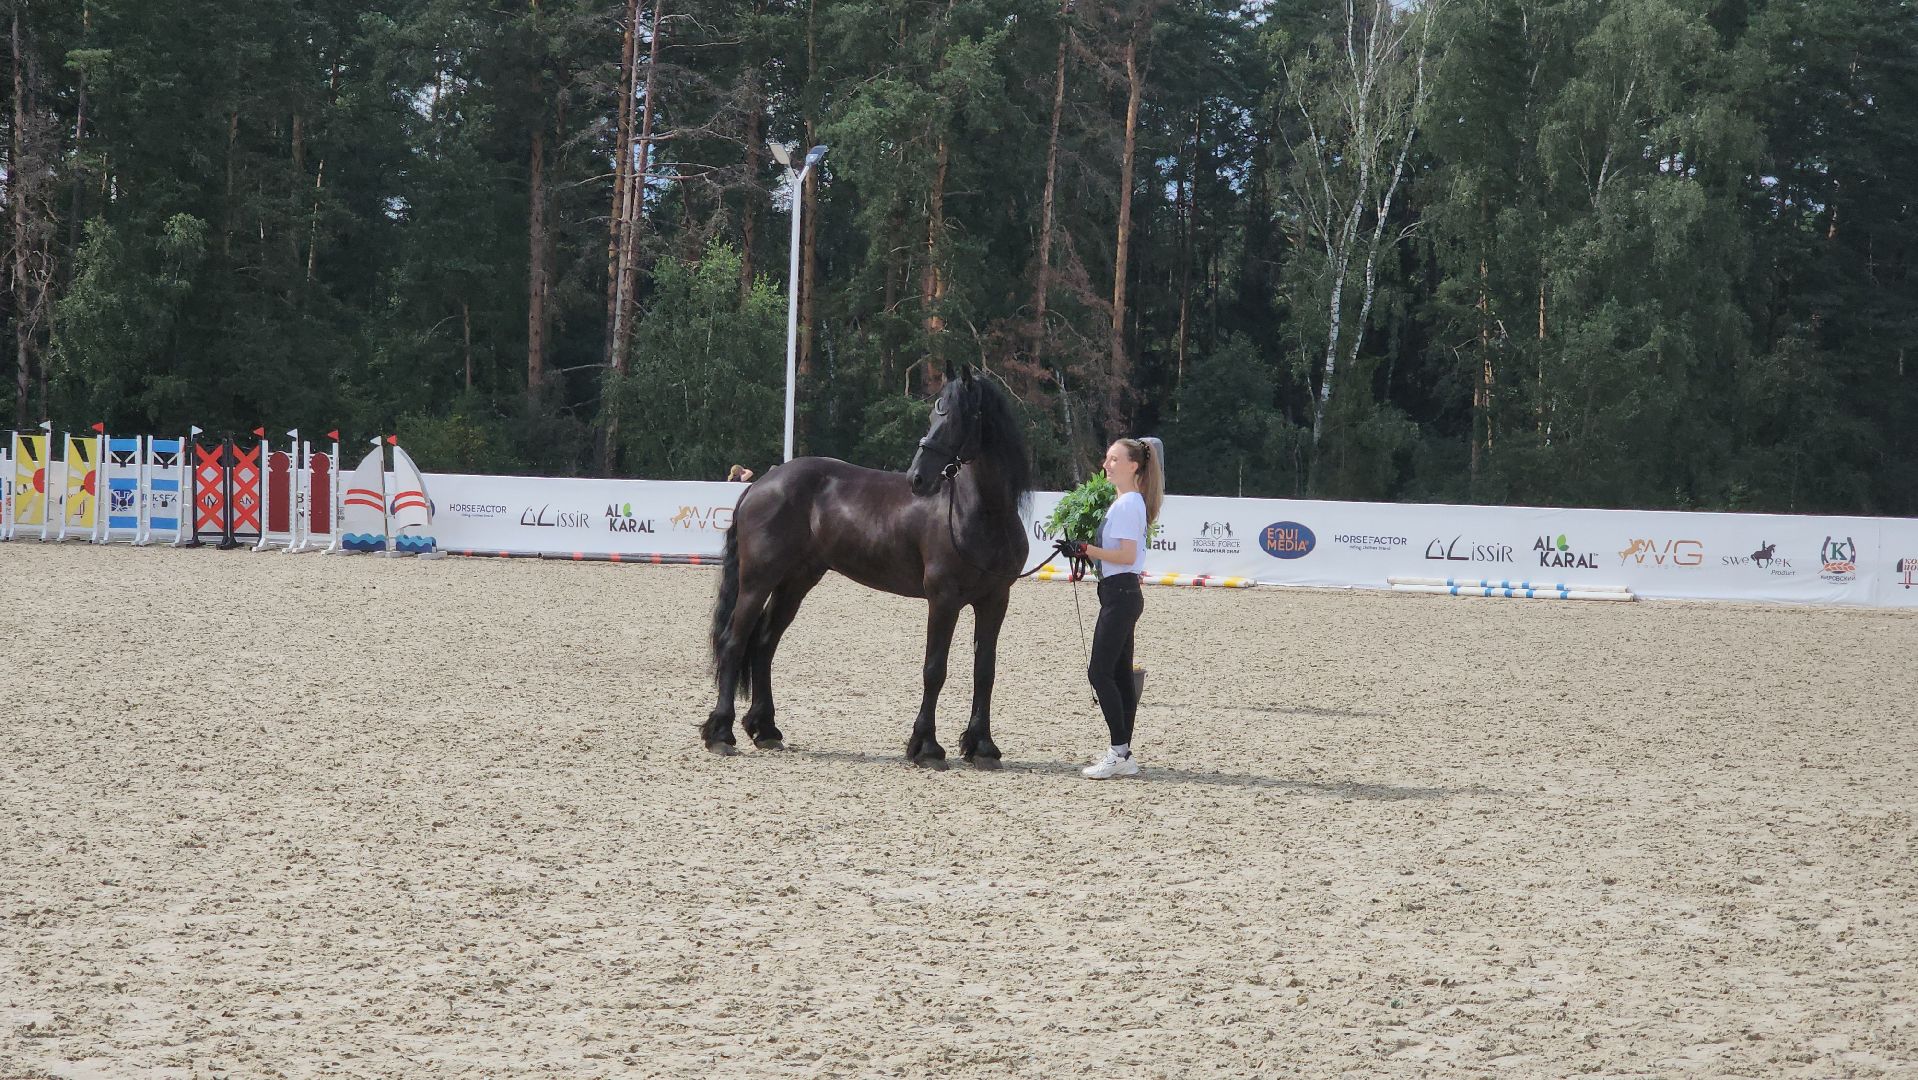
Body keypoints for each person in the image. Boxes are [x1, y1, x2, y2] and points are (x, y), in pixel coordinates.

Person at [1055, 437, 1165, 779]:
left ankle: (1119, 752)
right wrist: (1082, 551)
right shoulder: (1125, 502)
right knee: (1117, 675)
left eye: (1114, 459)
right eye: (1107, 458)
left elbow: (1126, 557)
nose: (1106, 464)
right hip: (1118, 593)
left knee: (1099, 673)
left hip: (1120, 593)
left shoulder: (1129, 503)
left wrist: (1087, 548)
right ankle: (1123, 753)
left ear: (1133, 466)